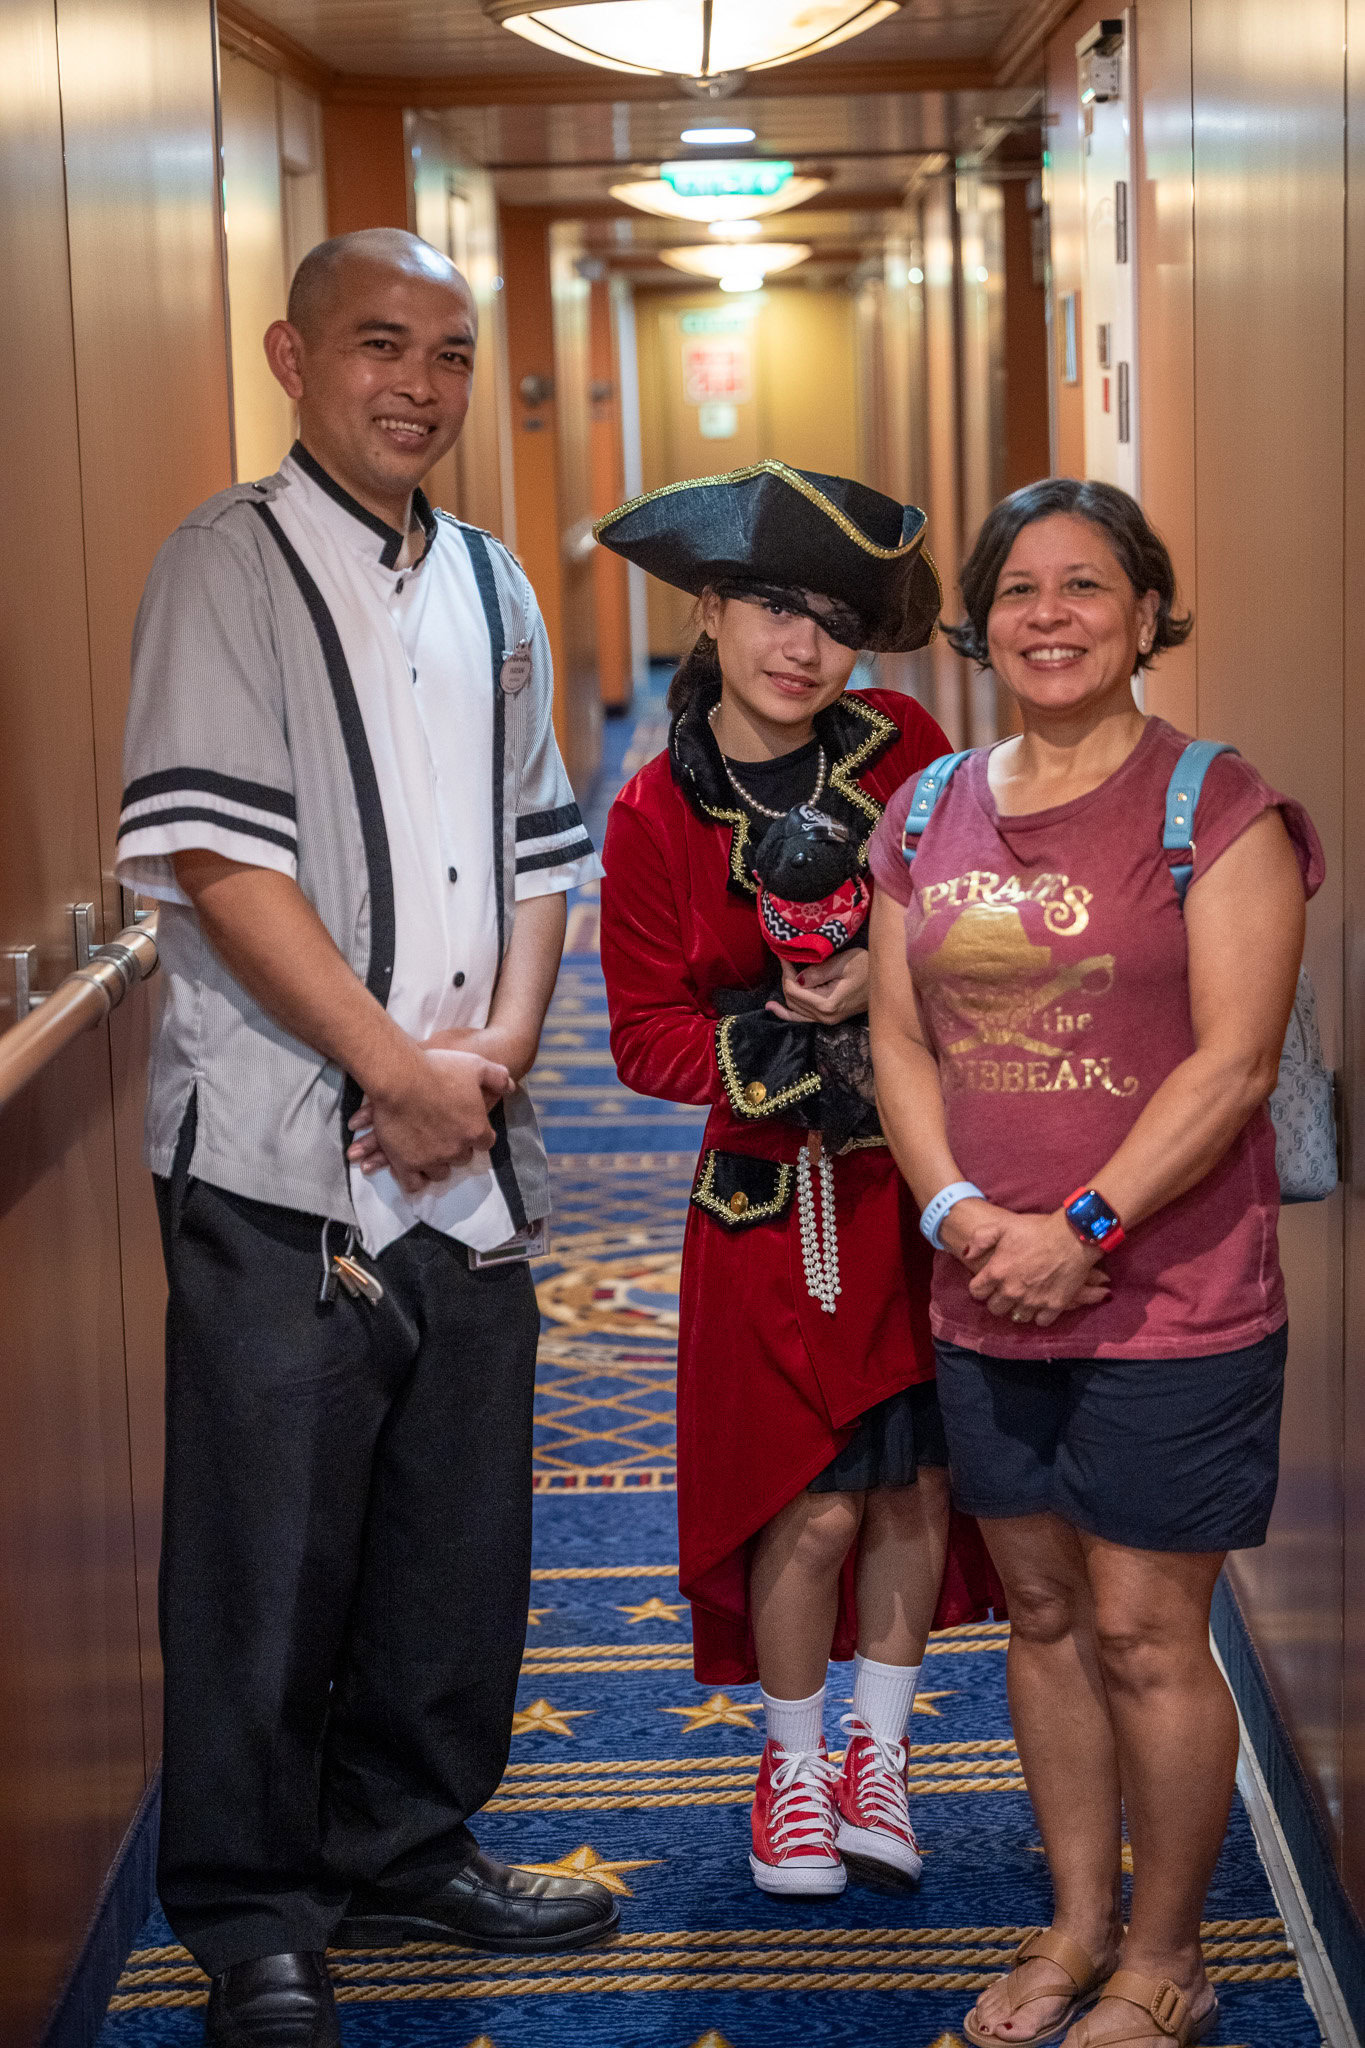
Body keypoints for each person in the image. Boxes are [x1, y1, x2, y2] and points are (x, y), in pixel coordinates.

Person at [116, 228, 616, 2048]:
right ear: (291, 355)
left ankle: (411, 1840)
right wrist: (389, 1069)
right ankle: (253, 1907)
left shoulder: (490, 579)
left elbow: (549, 840)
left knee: (453, 1528)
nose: (417, 383)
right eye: (378, 345)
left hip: (464, 1138)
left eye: (452, 354)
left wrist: (491, 1049)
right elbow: (216, 861)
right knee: (267, 1547)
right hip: (280, 1149)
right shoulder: (222, 567)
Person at [867, 476, 1323, 2048]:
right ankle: (1069, 1929)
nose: (1048, 617)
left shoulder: (1218, 805)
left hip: (1167, 1297)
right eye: (1017, 591)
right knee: (1044, 1618)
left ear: (1142, 614)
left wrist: (1083, 1231)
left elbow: (1232, 1067)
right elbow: (896, 1040)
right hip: (984, 1285)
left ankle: (1166, 1955)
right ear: (978, 620)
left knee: (1144, 1628)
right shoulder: (924, 810)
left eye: (1084, 587)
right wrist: (958, 1222)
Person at [596, 461, 1000, 1900]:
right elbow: (641, 1039)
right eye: (769, 605)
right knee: (805, 1498)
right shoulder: (651, 811)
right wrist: (791, 1026)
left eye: (831, 617)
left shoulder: (907, 746)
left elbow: (969, 926)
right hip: (770, 1205)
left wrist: (882, 989)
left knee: (910, 1488)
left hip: (919, 1184)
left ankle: (877, 1764)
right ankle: (788, 1768)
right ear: (707, 612)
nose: (799, 644)